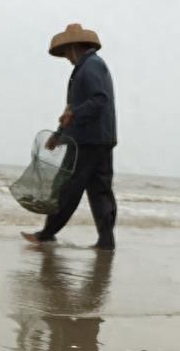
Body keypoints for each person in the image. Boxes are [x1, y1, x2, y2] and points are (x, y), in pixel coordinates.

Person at [23, 23, 117, 249]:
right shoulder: (91, 66)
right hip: (101, 138)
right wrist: (59, 133)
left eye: (66, 52)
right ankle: (106, 241)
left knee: (66, 187)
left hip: (87, 140)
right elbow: (73, 109)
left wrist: (73, 115)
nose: (66, 57)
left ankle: (47, 234)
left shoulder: (91, 66)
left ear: (74, 47)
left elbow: (99, 99)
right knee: (100, 191)